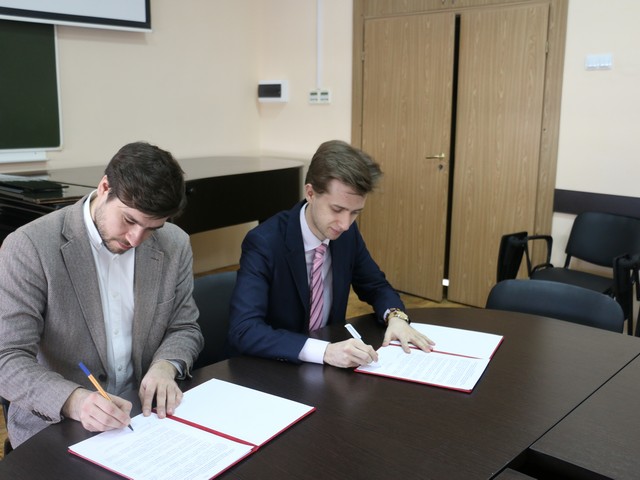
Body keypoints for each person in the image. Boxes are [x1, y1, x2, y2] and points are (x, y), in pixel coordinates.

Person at [0, 141, 204, 448]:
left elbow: (184, 327)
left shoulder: (174, 244)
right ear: (105, 187)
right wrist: (74, 400)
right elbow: (7, 357)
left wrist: (165, 366)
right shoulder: (30, 248)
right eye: (129, 220)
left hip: (144, 419)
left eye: (153, 228)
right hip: (58, 426)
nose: (136, 239)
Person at [228, 140, 435, 368]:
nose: (345, 224)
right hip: (277, 367)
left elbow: (376, 286)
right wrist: (324, 351)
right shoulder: (265, 242)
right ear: (310, 193)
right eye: (337, 209)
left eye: (355, 213)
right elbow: (244, 330)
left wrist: (396, 317)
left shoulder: (346, 235)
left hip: (330, 366)